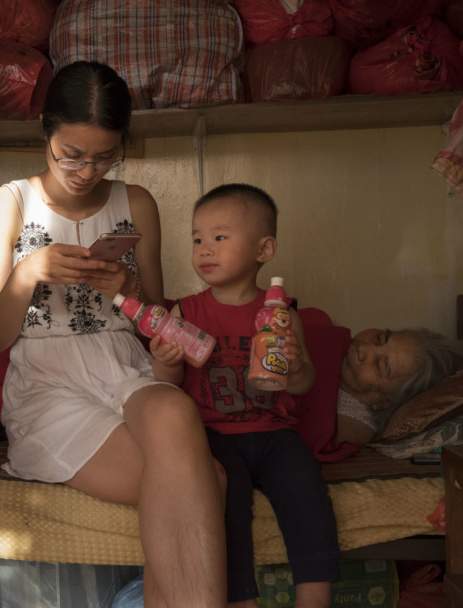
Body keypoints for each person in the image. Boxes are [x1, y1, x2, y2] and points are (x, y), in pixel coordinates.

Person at [0, 60, 227, 608]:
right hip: (46, 383)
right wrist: (27, 273)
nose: (87, 171)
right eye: (71, 155)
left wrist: (126, 284)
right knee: (214, 486)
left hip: (122, 365)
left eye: (104, 156)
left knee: (175, 412)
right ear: (46, 129)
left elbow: (159, 319)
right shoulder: (6, 204)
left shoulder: (135, 202)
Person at [160, 183, 339, 608]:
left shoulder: (281, 313)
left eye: (220, 238)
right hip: (214, 436)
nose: (205, 249)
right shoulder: (184, 313)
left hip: (275, 432)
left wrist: (295, 368)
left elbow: (304, 382)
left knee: (308, 493)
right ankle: (241, 598)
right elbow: (163, 387)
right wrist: (166, 359)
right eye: (197, 239)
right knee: (225, 504)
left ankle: (315, 597)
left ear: (264, 249)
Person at [335, 327, 463, 445]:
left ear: (384, 402)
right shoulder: (336, 340)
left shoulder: (354, 427)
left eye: (379, 365)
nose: (363, 348)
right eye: (380, 338)